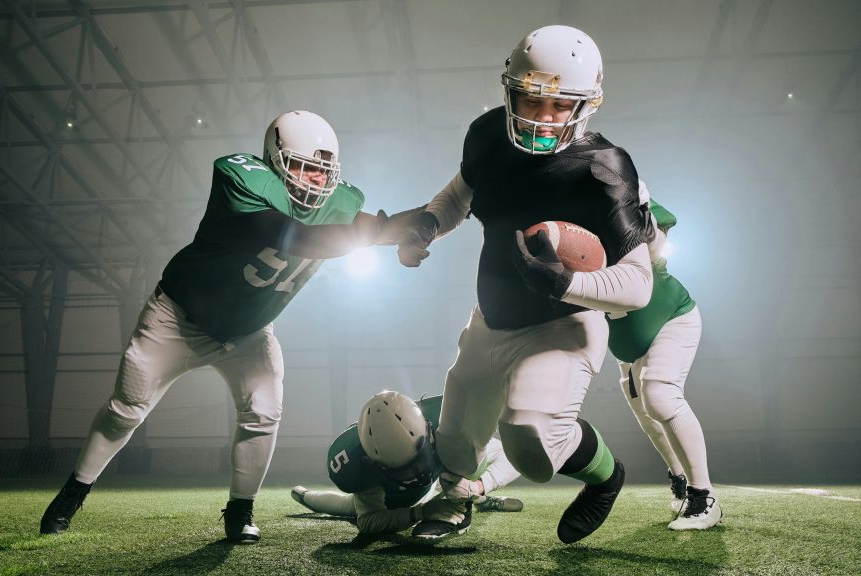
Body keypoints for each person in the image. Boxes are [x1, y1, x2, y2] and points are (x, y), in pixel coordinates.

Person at [39, 110, 414, 544]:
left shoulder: (340, 203)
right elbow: (297, 236)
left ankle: (240, 511)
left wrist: (424, 225)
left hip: (250, 331)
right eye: (303, 167)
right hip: (177, 319)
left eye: (323, 171)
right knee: (126, 411)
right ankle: (73, 492)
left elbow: (381, 224)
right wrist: (379, 233)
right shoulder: (241, 178)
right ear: (274, 161)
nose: (315, 179)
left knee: (264, 412)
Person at [395, 25, 657, 544]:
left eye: (559, 104)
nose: (542, 116)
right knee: (454, 442)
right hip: (491, 317)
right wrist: (429, 223)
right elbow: (459, 195)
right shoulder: (488, 135)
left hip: (562, 325)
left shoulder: (603, 169)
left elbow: (638, 284)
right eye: (531, 99)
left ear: (586, 104)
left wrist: (564, 282)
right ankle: (455, 501)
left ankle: (605, 477)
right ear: (510, 90)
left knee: (530, 442)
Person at [609, 181, 722, 530]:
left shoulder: (615, 196)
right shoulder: (557, 221)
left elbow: (659, 243)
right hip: (626, 339)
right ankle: (680, 479)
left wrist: (638, 208)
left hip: (670, 317)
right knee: (647, 416)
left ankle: (705, 497)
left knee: (659, 394)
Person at [289, 391, 523, 537]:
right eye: (404, 469)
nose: (417, 473)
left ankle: (474, 498)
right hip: (396, 501)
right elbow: (368, 521)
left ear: (429, 429)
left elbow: (511, 455)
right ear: (372, 461)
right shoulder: (357, 462)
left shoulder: (448, 420)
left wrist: (479, 485)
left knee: (466, 467)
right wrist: (421, 512)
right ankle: (307, 496)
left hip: (442, 481)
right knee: (348, 507)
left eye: (418, 459)